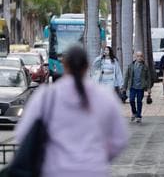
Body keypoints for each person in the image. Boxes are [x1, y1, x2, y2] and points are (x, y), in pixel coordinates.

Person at [16, 46, 128, 177]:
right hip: (93, 170)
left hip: (55, 171)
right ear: (86, 67)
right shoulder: (105, 97)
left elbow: (23, 133)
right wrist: (98, 156)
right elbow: (119, 139)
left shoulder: (46, 97)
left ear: (64, 65)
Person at [123, 51, 151, 123]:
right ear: (135, 57)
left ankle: (138, 116)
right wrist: (124, 87)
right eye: (138, 56)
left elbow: (148, 78)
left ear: (142, 57)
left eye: (141, 56)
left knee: (139, 101)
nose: (139, 57)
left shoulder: (145, 67)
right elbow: (126, 77)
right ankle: (134, 112)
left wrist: (148, 88)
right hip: (132, 86)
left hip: (141, 87)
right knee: (131, 100)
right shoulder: (131, 66)